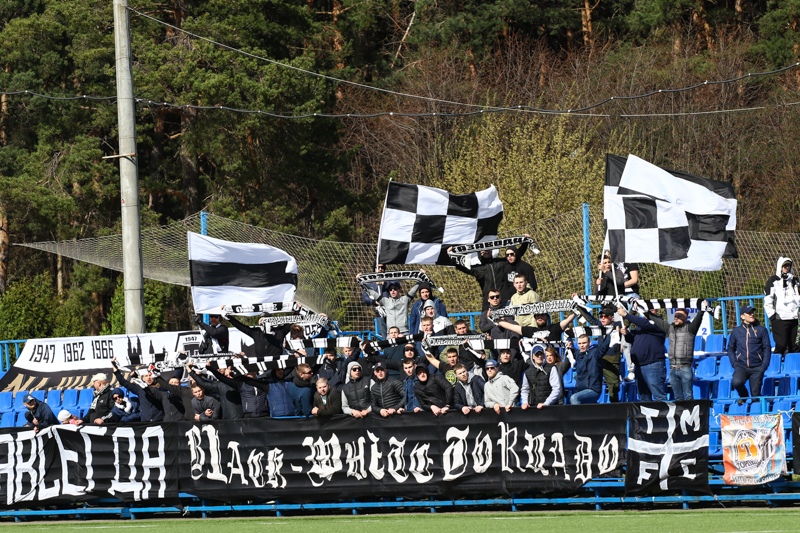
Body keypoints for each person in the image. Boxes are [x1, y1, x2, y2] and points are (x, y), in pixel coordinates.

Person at [646, 302, 709, 401]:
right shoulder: (670, 328)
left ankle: (691, 411)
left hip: (685, 368)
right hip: (672, 369)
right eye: (675, 316)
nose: (676, 318)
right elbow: (655, 319)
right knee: (678, 398)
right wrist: (642, 308)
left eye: (679, 316)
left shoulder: (691, 328)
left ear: (686, 318)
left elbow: (699, 317)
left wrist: (702, 308)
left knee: (689, 396)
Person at [574, 302, 624, 402]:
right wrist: (579, 306)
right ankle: (592, 404)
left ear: (612, 318)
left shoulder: (618, 325)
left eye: (606, 317)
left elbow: (627, 321)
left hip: (612, 363)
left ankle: (614, 409)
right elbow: (590, 318)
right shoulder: (599, 326)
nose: (603, 318)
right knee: (587, 382)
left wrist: (629, 311)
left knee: (613, 389)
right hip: (597, 361)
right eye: (601, 316)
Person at [619, 305, 667, 402]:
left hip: (653, 365)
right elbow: (631, 339)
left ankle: (663, 412)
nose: (647, 313)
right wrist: (627, 334)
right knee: (643, 398)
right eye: (646, 310)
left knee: (659, 397)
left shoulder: (659, 323)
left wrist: (626, 315)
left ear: (657, 312)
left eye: (651, 310)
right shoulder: (640, 327)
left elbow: (645, 323)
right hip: (639, 366)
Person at [727, 305, 772, 401]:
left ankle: (755, 409)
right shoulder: (736, 331)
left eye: (752, 312)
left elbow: (767, 348)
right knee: (737, 382)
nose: (752, 314)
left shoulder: (762, 330)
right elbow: (730, 348)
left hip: (757, 367)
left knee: (755, 396)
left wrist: (764, 366)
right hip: (741, 366)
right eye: (749, 313)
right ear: (742, 316)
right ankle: (744, 397)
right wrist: (734, 363)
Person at [449, 246, 512, 310]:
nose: (489, 252)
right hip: (488, 302)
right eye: (486, 251)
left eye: (490, 250)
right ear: (481, 254)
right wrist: (451, 255)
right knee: (486, 316)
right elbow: (462, 267)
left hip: (504, 300)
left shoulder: (500, 263)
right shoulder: (478, 269)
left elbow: (514, 256)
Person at [765, 257, 800, 355]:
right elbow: (768, 300)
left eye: (788, 265)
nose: (786, 267)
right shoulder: (773, 281)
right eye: (784, 265)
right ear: (780, 266)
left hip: (794, 318)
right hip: (780, 318)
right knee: (781, 345)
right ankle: (775, 363)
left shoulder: (794, 280)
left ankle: (794, 364)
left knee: (795, 346)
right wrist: (773, 316)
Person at [112, 358, 165, 422]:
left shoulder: (161, 388)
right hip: (145, 422)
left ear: (154, 377)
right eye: (146, 376)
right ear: (143, 379)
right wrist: (114, 366)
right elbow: (123, 382)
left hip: (159, 421)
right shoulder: (140, 389)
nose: (148, 377)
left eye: (150, 375)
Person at [571, 333, 613, 405]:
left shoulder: (595, 352)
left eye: (584, 343)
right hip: (581, 390)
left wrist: (609, 333)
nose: (582, 345)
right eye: (579, 343)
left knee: (574, 398)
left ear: (589, 342)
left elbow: (605, 346)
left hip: (593, 390)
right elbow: (571, 346)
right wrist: (568, 335)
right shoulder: (578, 354)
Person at [361, 263, 390, 339]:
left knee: (394, 334)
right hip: (379, 313)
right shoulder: (370, 282)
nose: (380, 269)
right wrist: (373, 302)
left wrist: (384, 283)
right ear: (374, 269)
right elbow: (365, 297)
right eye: (378, 267)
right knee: (384, 336)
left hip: (391, 311)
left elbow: (395, 287)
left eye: (382, 267)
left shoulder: (389, 278)